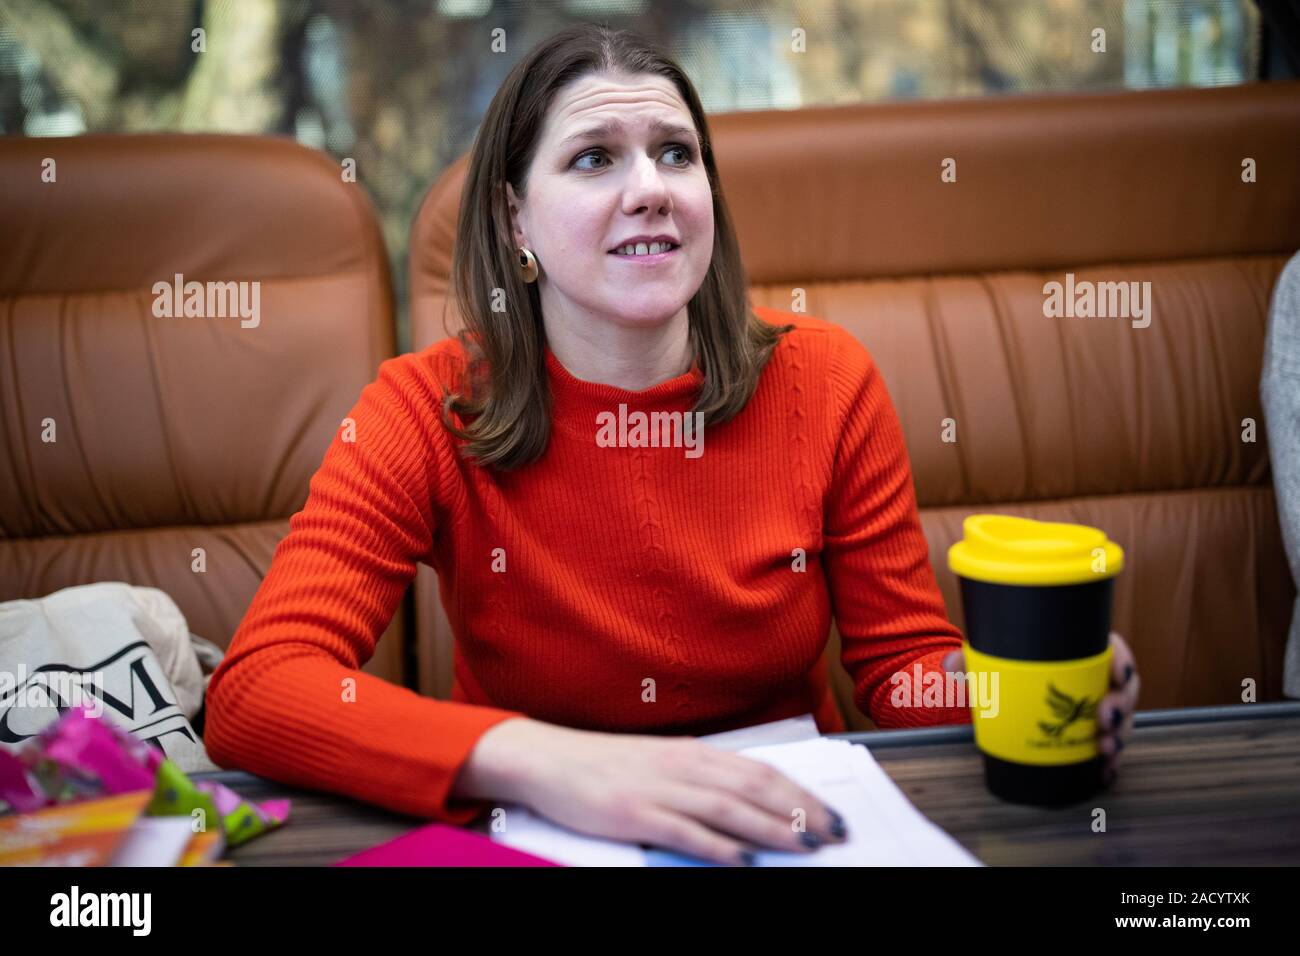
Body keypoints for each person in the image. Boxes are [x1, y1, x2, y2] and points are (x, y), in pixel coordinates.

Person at [204, 24, 1138, 866]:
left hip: (799, 830)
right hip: (545, 829)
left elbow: (900, 679)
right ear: (513, 219)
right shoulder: (424, 407)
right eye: (594, 159)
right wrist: (554, 765)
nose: (649, 189)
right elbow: (258, 690)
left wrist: (1011, 688)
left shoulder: (826, 378)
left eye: (675, 155)